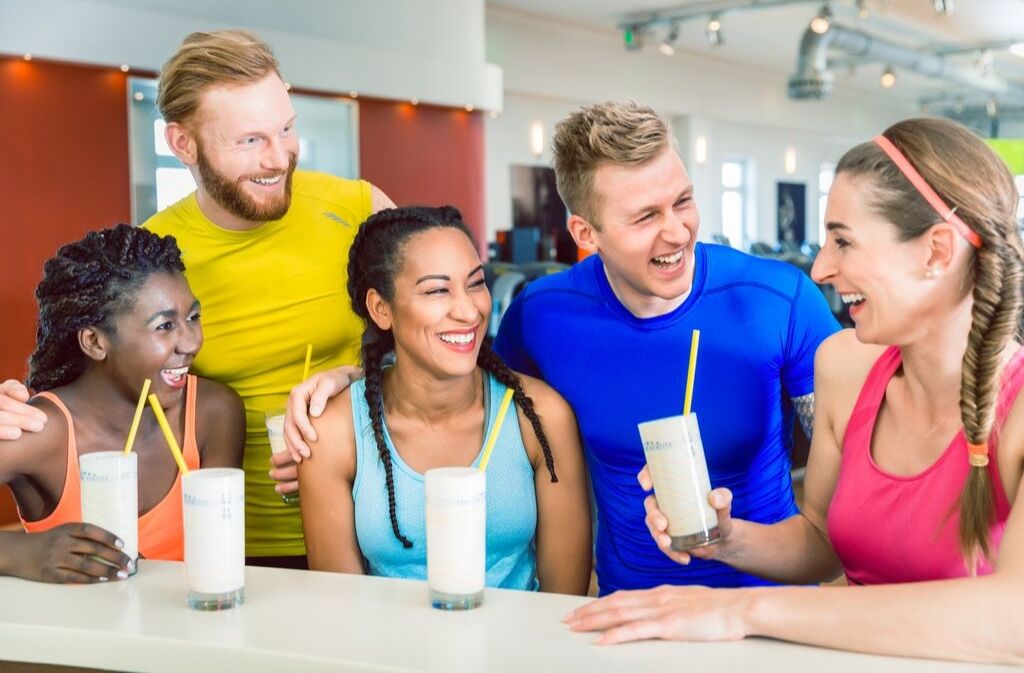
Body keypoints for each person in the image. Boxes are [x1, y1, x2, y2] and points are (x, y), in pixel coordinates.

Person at [283, 101, 839, 594]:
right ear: (584, 233)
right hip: (627, 616)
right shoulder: (543, 314)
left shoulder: (781, 299)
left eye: (683, 201)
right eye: (645, 216)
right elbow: (460, 367)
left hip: (768, 605)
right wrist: (351, 379)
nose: (677, 232)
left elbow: (845, 498)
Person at [565, 118, 1024, 665]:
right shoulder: (845, 367)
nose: (822, 267)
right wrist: (723, 537)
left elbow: (1011, 617)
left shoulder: (1015, 410)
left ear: (936, 252)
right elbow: (823, 545)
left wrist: (744, 612)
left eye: (844, 241)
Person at [0, 30, 393, 567]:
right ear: (182, 143)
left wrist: (353, 377)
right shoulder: (157, 262)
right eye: (250, 140)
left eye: (285, 129)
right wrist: (19, 410)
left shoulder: (360, 208)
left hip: (378, 524)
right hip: (226, 544)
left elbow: (438, 353)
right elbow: (105, 386)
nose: (279, 158)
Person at [299, 206, 591, 594]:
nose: (469, 310)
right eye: (437, 290)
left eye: (475, 283)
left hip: (520, 651)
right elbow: (341, 608)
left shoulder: (539, 416)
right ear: (381, 308)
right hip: (383, 654)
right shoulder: (334, 432)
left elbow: (563, 604)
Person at [0, 224, 244, 583]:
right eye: (164, 326)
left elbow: (219, 555)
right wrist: (20, 552)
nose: (190, 342)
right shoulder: (40, 431)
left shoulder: (213, 413)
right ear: (95, 342)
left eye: (193, 318)